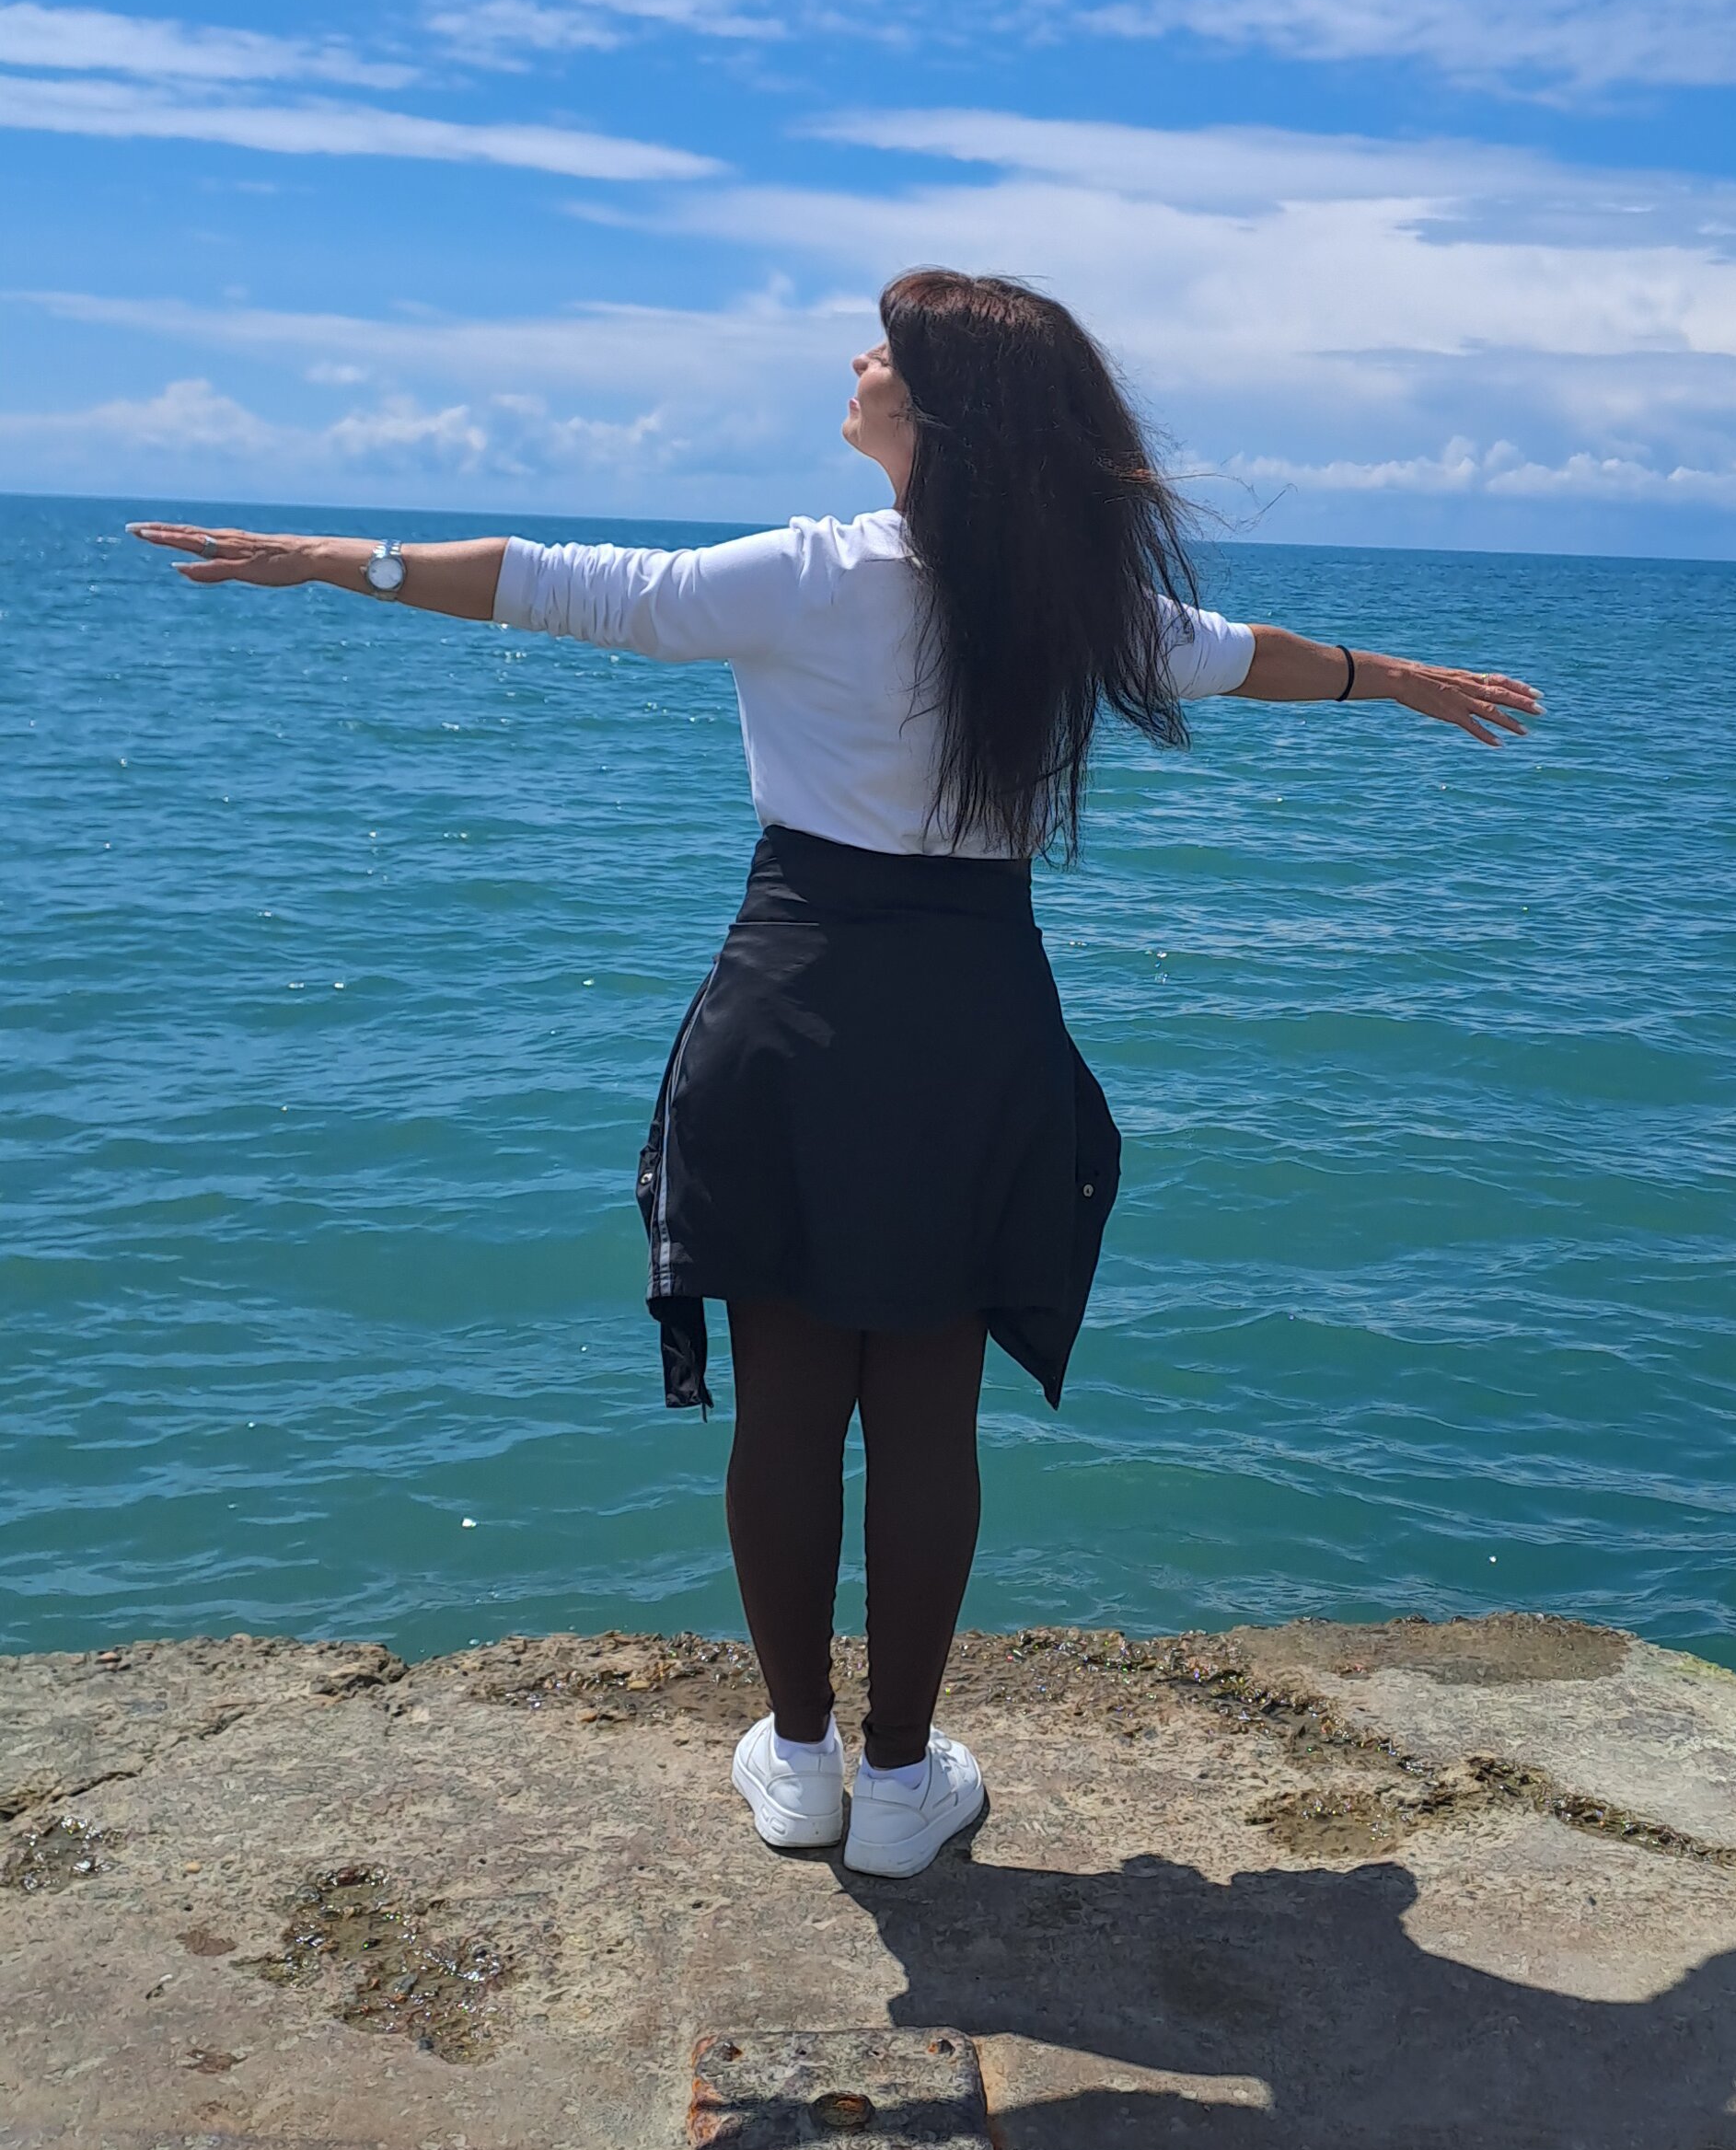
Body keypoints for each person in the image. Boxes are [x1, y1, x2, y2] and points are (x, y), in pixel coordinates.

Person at [131, 270, 1539, 1879]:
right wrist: (1391, 678)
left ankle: (798, 1766)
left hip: (794, 1006)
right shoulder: (1072, 602)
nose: (860, 361)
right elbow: (1241, 658)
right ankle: (900, 1785)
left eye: (889, 348)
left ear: (938, 412)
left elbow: (559, 585)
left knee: (789, 1407)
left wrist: (345, 561)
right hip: (974, 1024)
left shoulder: (808, 574)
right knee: (928, 1419)